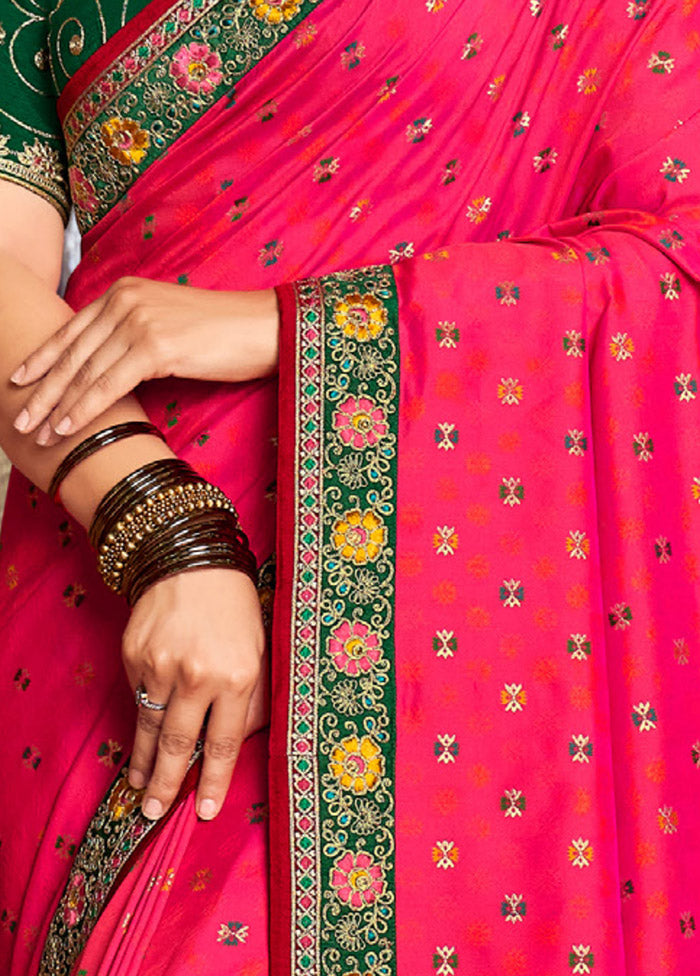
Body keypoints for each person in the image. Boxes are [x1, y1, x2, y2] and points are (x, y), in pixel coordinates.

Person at [0, 0, 698, 973]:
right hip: (115, 559)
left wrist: (283, 324)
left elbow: (677, 254)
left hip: (463, 601)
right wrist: (161, 527)